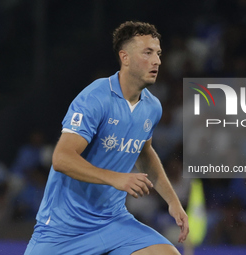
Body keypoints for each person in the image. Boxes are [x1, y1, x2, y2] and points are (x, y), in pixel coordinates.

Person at [24, 21, 189, 255]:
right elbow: (61, 159)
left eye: (159, 53)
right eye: (148, 53)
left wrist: (172, 201)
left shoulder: (152, 106)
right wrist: (116, 179)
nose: (157, 61)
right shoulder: (95, 98)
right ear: (125, 57)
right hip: (64, 229)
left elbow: (145, 152)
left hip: (113, 221)